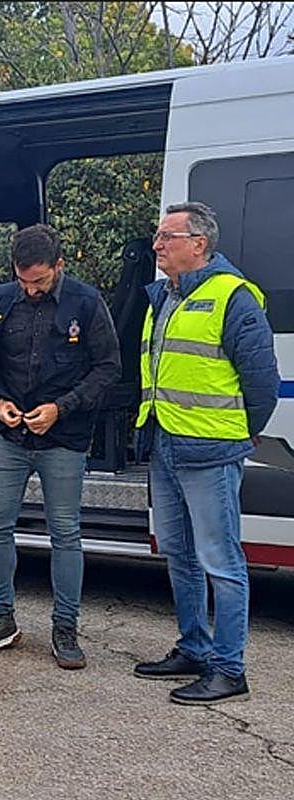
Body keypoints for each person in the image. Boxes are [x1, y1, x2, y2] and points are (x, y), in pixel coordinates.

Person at [133, 201, 279, 705]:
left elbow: (262, 383)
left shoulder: (233, 297)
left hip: (210, 449)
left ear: (198, 243)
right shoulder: (165, 296)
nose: (157, 245)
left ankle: (228, 667)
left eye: (166, 237)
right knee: (178, 553)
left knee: (220, 558)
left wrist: (239, 432)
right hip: (165, 442)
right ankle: (193, 647)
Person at [0, 224, 120, 669]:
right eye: (23, 279)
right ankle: (0, 618)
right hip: (9, 435)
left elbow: (108, 368)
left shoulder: (87, 303)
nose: (30, 289)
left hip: (64, 437)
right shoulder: (0, 299)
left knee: (65, 532)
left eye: (39, 280)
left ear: (59, 266)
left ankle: (65, 627)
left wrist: (62, 407)